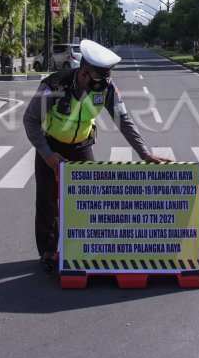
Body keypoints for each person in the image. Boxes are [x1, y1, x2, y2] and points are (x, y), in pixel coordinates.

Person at [23, 39, 171, 272]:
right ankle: (48, 254)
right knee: (48, 203)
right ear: (83, 73)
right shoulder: (55, 85)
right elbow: (30, 120)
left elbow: (124, 121)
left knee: (88, 200)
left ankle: (83, 249)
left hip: (82, 146)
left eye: (106, 80)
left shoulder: (108, 88)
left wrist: (144, 153)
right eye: (98, 80)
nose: (102, 85)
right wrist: (49, 156)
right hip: (51, 147)